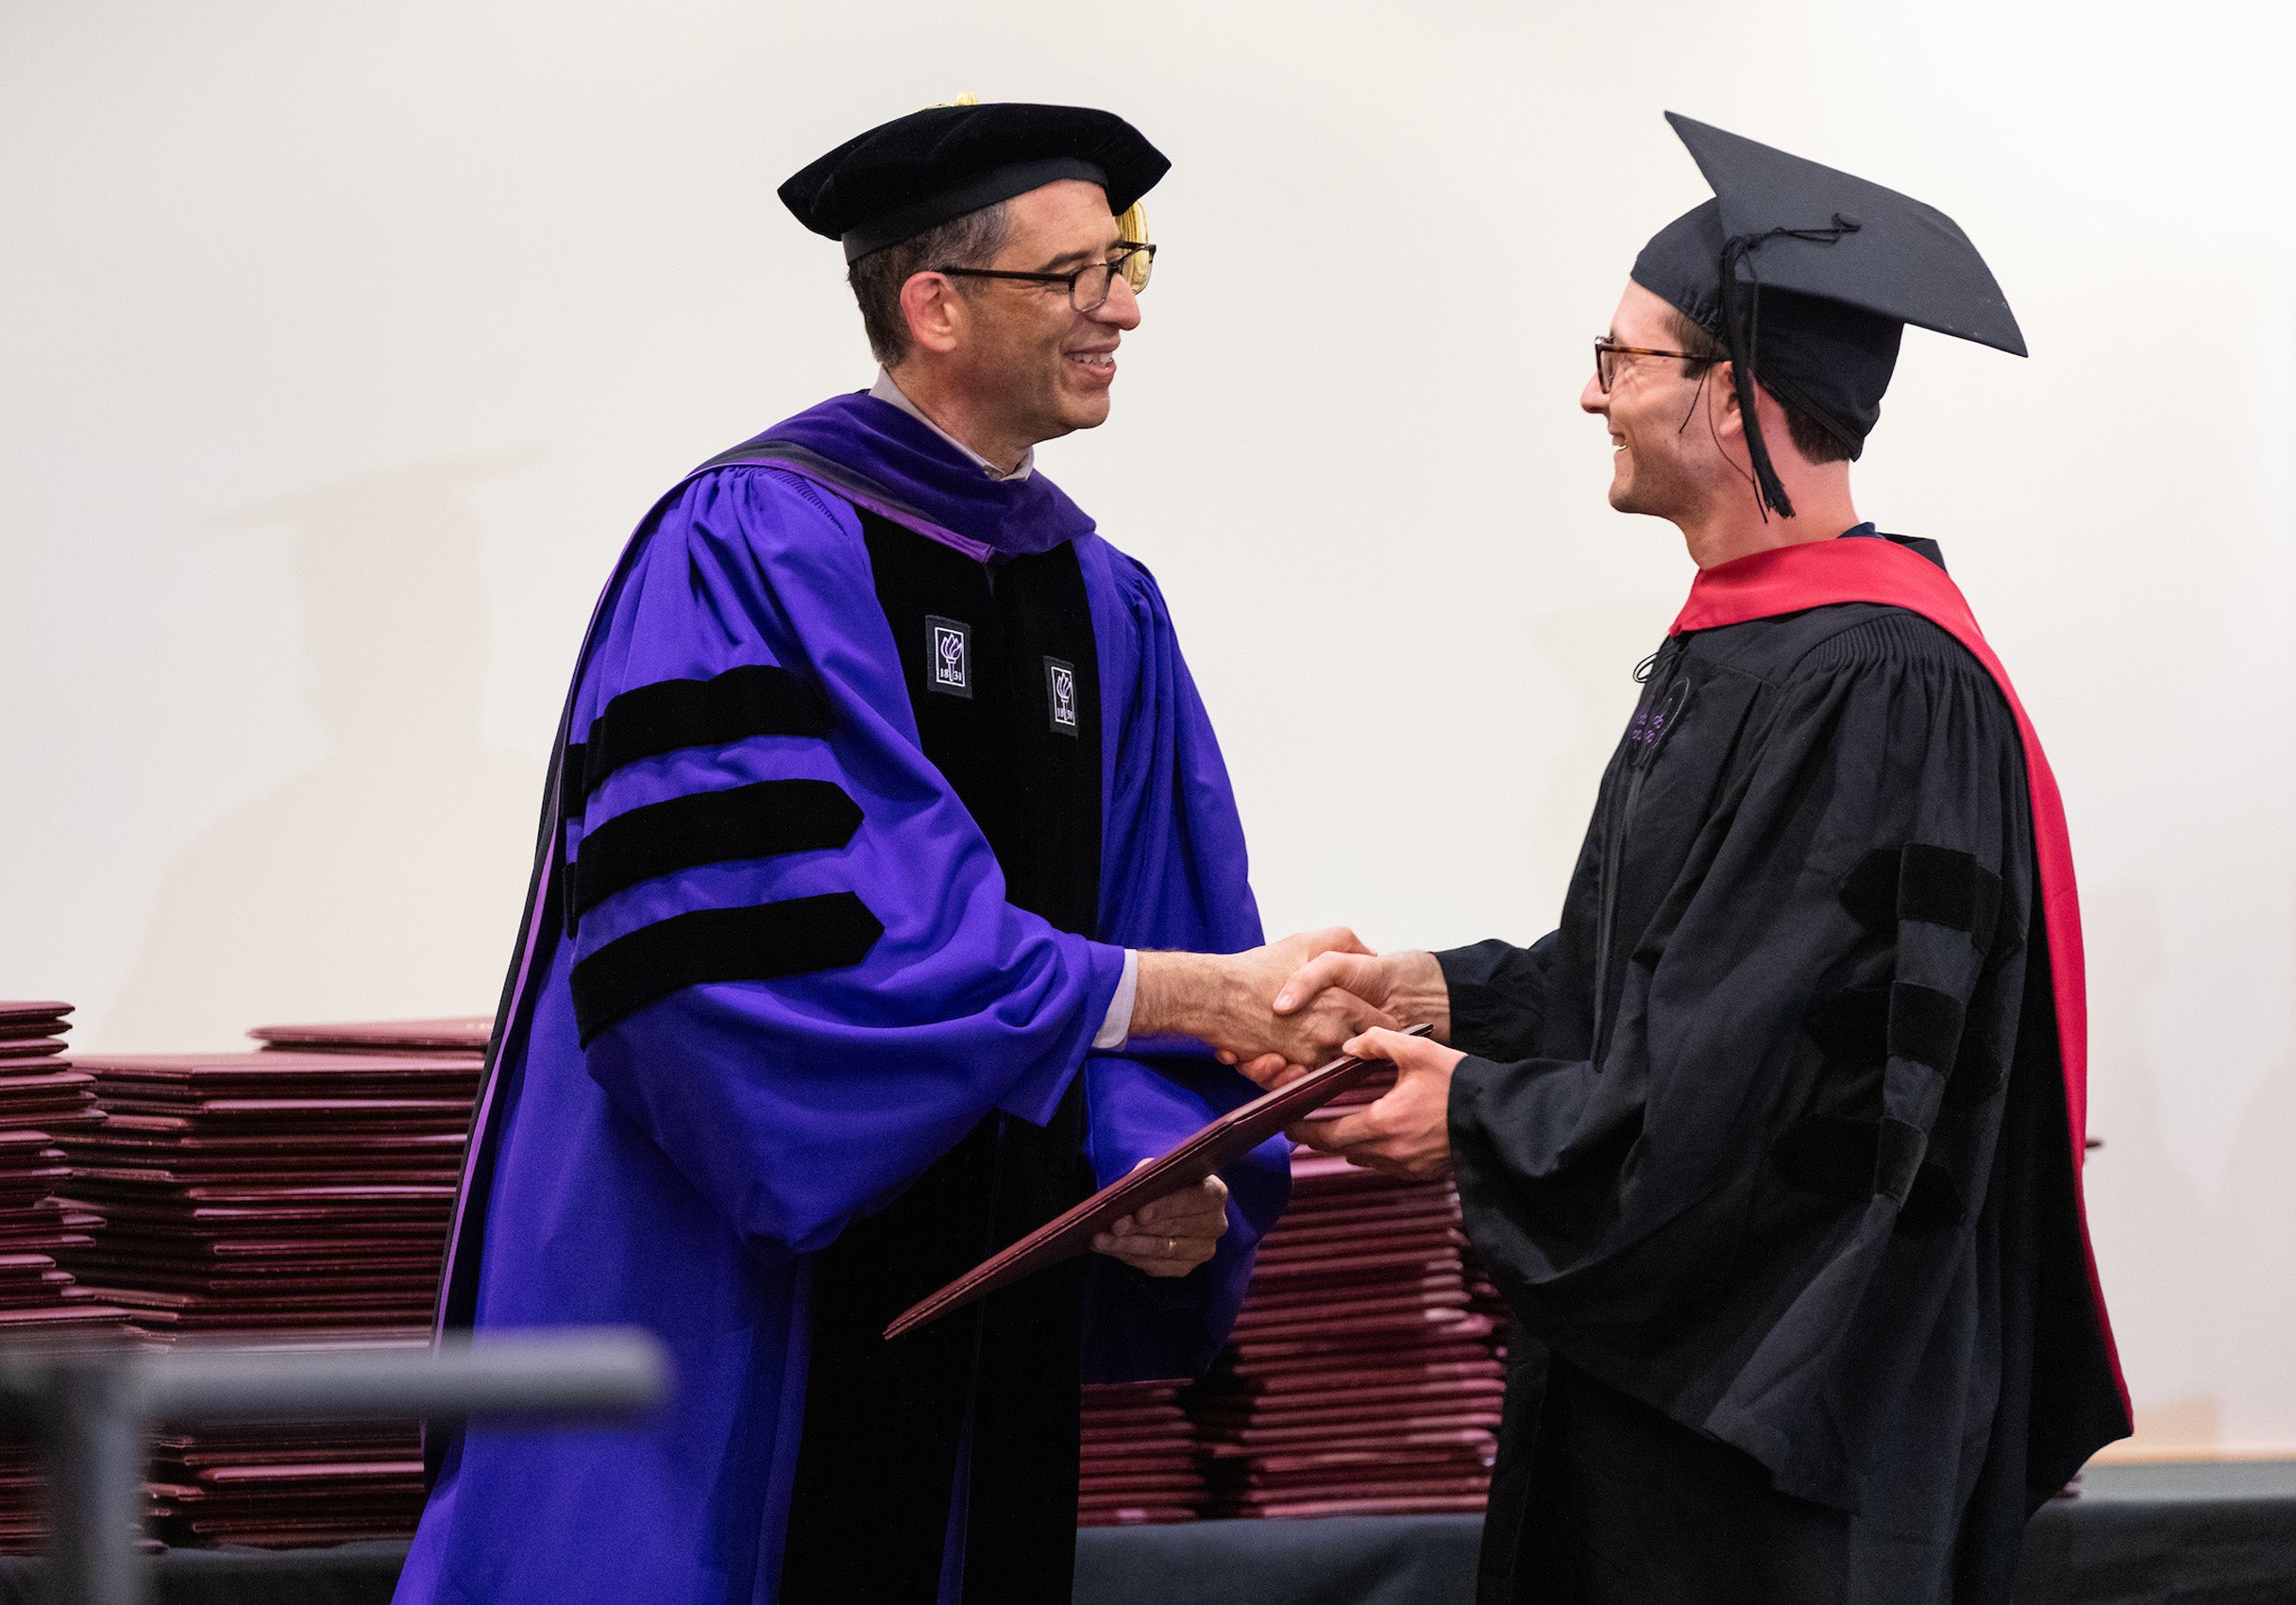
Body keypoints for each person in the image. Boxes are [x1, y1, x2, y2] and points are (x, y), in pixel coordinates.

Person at [393, 99, 1381, 1605]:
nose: (1120, 307)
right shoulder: (751, 544)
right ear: (934, 304)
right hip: (736, 1274)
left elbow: (1156, 901)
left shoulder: (1098, 596)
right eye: (1074, 275)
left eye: (1130, 265)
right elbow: (794, 932)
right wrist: (1178, 997)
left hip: (987, 1270)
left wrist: (1141, 1165)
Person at [1250, 113, 2133, 1602]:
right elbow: (1647, 992)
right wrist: (1422, 996)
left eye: (1620, 360)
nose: (1588, 396)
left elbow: (1770, 1087)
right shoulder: (1752, 655)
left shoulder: (1874, 684)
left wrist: (1470, 1118)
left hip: (1786, 1419)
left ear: (1728, 399)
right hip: (1678, 1384)